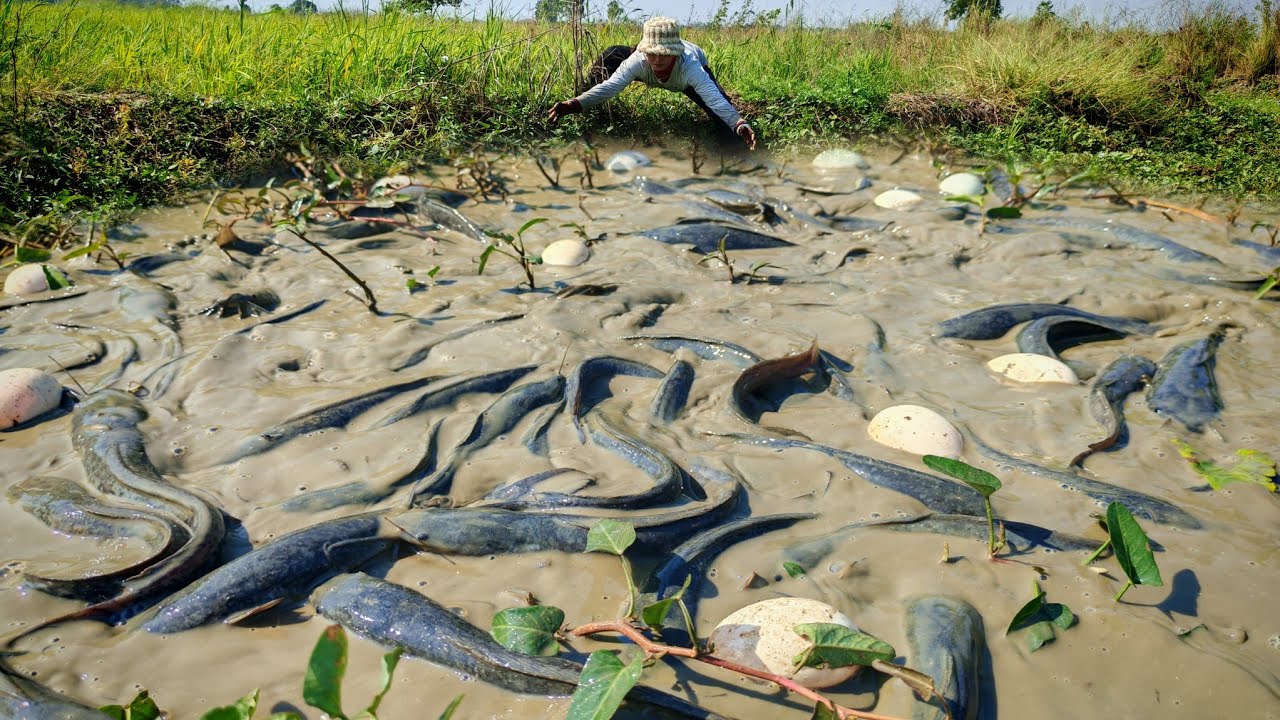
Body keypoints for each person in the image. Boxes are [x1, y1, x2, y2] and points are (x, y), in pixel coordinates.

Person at [547, 16, 757, 150]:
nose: (657, 60)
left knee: (722, 111)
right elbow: (610, 87)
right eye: (652, 54)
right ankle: (579, 106)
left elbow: (715, 100)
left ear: (675, 54)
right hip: (637, 61)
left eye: (663, 55)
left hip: (687, 77)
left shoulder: (690, 67)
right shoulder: (639, 59)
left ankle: (733, 159)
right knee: (612, 54)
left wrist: (738, 123)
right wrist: (575, 103)